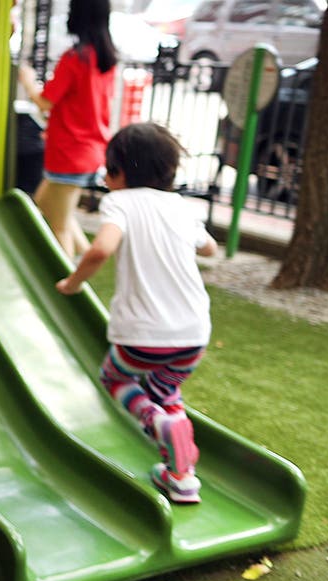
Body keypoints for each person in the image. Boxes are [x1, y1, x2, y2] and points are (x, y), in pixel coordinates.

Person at [56, 122, 218, 504]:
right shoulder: (181, 208)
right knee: (167, 390)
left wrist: (73, 283)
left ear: (120, 173)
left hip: (142, 337)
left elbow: (99, 250)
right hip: (194, 336)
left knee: (114, 378)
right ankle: (181, 477)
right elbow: (209, 249)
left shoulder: (121, 202)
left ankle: (155, 421)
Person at [18, 0, 118, 259]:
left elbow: (44, 102)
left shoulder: (75, 58)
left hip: (69, 152)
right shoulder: (105, 57)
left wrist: (29, 83)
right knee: (47, 204)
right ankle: (84, 254)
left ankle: (70, 280)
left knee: (59, 225)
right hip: (89, 148)